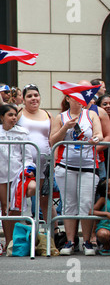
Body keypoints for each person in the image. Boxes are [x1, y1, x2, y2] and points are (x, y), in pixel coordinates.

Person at [50, 94, 103, 256]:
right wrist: (65, 127)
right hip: (66, 166)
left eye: (82, 99)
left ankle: (87, 241)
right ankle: (70, 241)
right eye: (75, 98)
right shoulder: (60, 117)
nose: (79, 102)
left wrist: (96, 139)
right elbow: (53, 140)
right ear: (68, 99)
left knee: (86, 203)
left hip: (88, 165)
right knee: (69, 204)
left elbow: (100, 134)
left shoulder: (91, 114)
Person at [17, 84, 57, 225]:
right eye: (29, 96)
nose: (33, 98)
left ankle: (53, 233)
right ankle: (22, 233)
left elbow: (53, 138)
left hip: (44, 164)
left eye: (36, 95)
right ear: (23, 99)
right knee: (21, 196)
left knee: (45, 197)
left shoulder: (48, 114)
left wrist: (54, 160)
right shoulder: (18, 112)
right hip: (22, 164)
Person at [0, 104, 37, 248]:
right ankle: (8, 241)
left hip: (17, 174)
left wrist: (27, 169)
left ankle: (15, 241)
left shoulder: (22, 133)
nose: (14, 117)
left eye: (15, 115)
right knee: (5, 208)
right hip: (1, 174)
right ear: (2, 117)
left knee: (14, 207)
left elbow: (27, 156)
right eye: (10, 115)